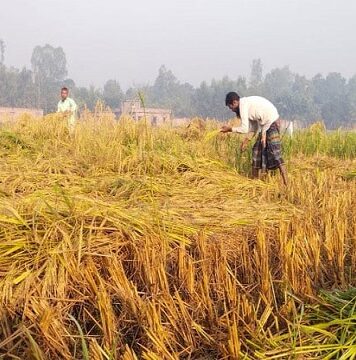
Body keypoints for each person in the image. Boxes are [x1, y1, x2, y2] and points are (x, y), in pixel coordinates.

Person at [220, 92, 288, 186]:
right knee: (256, 151)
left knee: (275, 153)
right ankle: (254, 184)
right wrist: (246, 141)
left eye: (230, 107)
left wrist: (230, 129)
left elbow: (244, 128)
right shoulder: (247, 105)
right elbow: (254, 128)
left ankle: (287, 184)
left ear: (235, 102)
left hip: (271, 123)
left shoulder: (243, 106)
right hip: (265, 125)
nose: (231, 110)